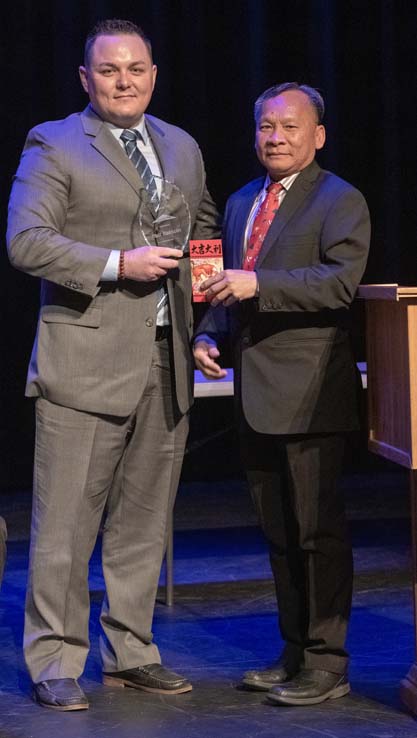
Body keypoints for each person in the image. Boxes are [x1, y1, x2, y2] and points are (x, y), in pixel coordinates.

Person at [7, 18, 220, 711]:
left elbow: (204, 230)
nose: (123, 81)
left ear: (153, 75)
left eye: (135, 69)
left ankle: (132, 651)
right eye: (108, 70)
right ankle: (56, 658)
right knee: (66, 524)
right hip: (87, 358)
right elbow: (26, 241)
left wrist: (204, 315)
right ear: (85, 78)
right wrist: (113, 265)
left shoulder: (181, 146)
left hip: (166, 359)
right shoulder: (55, 142)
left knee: (142, 521)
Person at [194, 82, 370, 706]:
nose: (275, 137)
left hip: (312, 391)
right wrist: (208, 334)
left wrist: (257, 283)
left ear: (317, 135)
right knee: (278, 532)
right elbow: (224, 286)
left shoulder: (339, 198)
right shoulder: (243, 200)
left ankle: (328, 662)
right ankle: (294, 652)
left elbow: (340, 283)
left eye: (289, 127)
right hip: (254, 392)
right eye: (266, 126)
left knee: (318, 532)